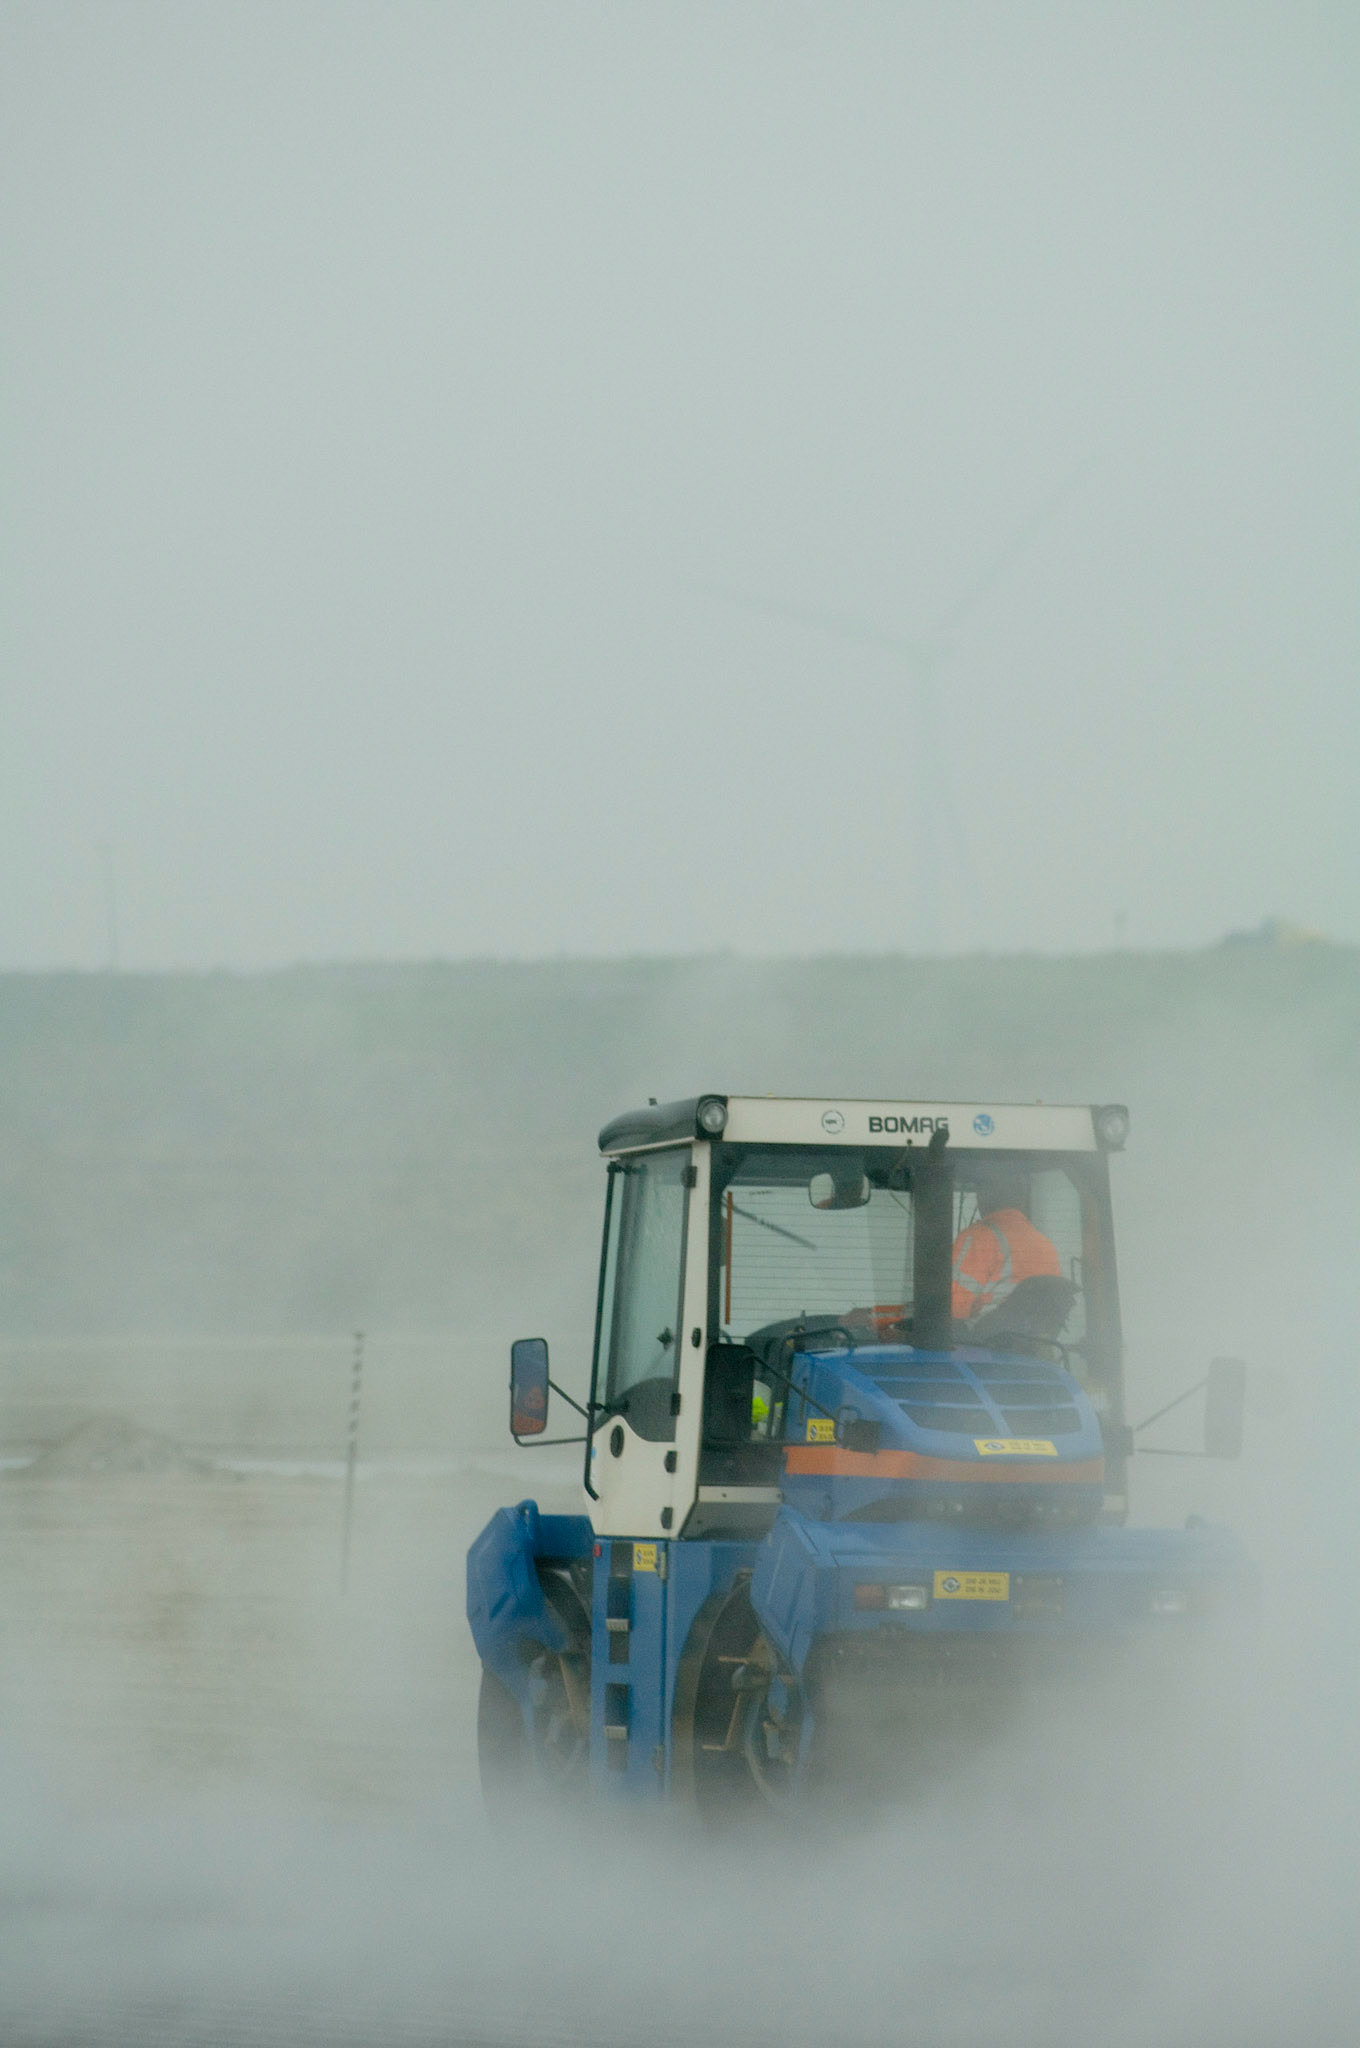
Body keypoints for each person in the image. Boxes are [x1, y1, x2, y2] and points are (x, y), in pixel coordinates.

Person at [952, 1176, 1060, 1323]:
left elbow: (954, 1309)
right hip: (1036, 1337)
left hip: (984, 1335)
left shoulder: (978, 1237)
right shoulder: (1046, 1245)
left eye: (980, 1189)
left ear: (986, 1194)